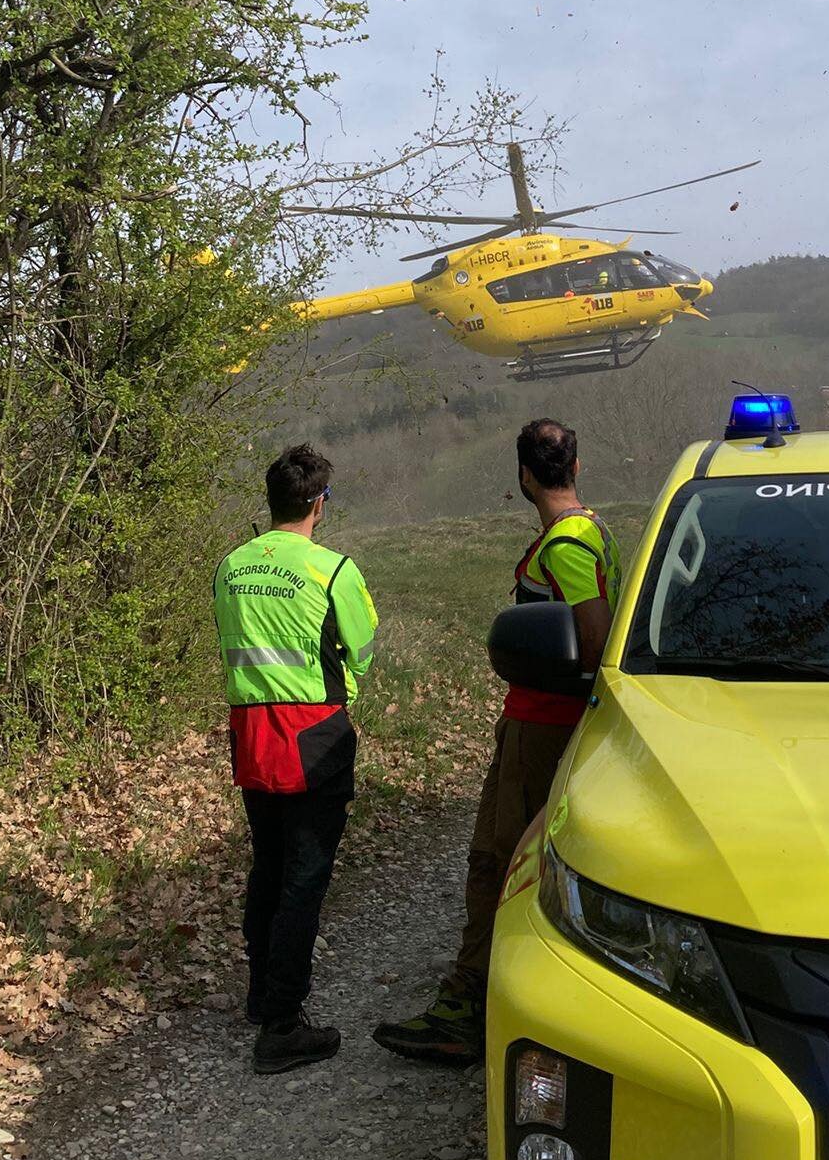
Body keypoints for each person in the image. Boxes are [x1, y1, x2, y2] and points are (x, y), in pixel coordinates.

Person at [374, 417, 620, 1065]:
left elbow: (591, 639)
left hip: (543, 726)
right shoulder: (593, 531)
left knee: (495, 861)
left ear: (523, 476)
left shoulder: (566, 545)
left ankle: (467, 1009)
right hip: (554, 723)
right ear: (576, 466)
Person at [213, 443, 378, 1075]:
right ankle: (282, 1024)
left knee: (270, 866)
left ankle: (261, 997)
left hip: (251, 732)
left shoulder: (230, 566)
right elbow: (360, 652)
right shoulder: (332, 569)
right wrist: (344, 689)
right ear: (319, 503)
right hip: (314, 736)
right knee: (305, 877)